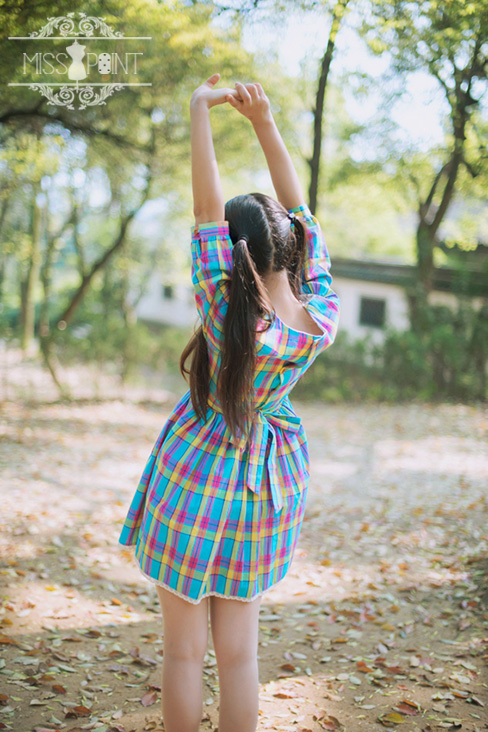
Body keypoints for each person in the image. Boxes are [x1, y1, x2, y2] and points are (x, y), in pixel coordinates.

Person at [118, 73, 341, 732]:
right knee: (240, 660)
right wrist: (264, 124)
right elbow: (305, 219)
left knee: (183, 656)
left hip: (196, 476)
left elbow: (204, 210)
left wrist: (199, 112)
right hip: (267, 490)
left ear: (230, 253)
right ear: (294, 252)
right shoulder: (319, 315)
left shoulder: (224, 310)